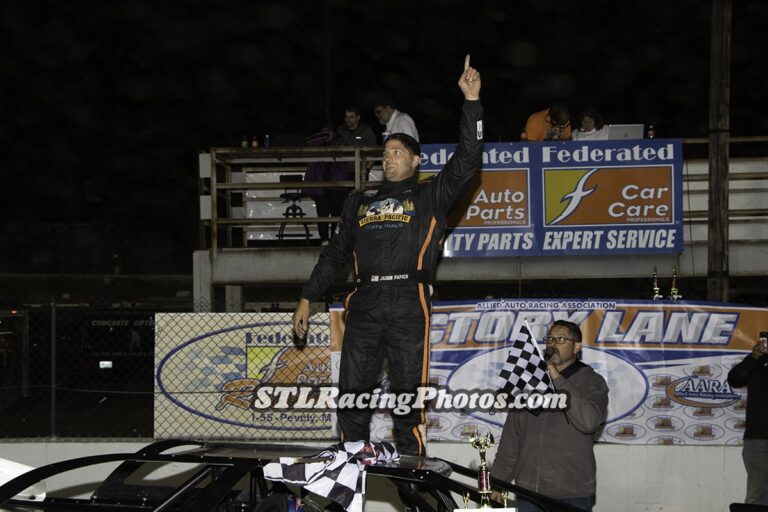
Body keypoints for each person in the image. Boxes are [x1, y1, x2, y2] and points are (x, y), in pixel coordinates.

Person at [293, 55, 483, 456]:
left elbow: (467, 161)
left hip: (407, 303)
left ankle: (414, 481)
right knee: (351, 399)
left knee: (406, 402)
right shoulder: (359, 201)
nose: (389, 156)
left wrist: (471, 103)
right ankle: (348, 475)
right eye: (386, 151)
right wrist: (307, 296)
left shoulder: (430, 195)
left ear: (416, 161)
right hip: (363, 303)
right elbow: (335, 254)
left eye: (398, 151)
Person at [491, 320, 609, 512]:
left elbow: (589, 422)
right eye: (550, 338)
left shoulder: (592, 382)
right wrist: (497, 481)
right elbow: (511, 439)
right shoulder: (530, 383)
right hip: (528, 493)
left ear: (576, 346)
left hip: (572, 494)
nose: (553, 343)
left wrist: (555, 376)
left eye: (561, 339)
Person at [727, 335, 768, 505]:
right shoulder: (757, 361)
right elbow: (735, 380)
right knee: (757, 497)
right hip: (759, 439)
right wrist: (753, 358)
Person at [303, 127, 347, 244]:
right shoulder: (317, 143)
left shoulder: (340, 141)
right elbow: (308, 142)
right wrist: (323, 138)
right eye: (324, 132)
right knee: (322, 214)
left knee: (336, 215)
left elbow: (343, 153)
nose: (327, 135)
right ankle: (324, 239)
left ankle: (334, 240)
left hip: (336, 184)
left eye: (329, 132)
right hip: (320, 185)